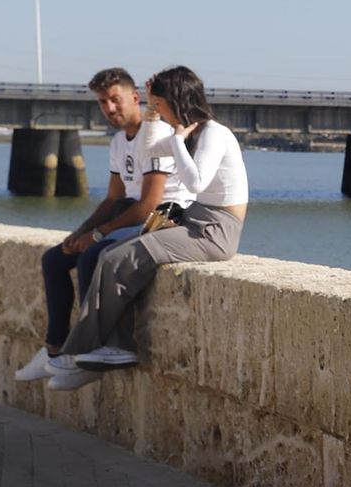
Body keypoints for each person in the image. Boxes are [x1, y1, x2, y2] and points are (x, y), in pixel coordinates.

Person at [47, 66, 249, 390]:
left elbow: (196, 183)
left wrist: (178, 140)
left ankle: (82, 351)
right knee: (111, 254)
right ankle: (111, 347)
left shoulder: (213, 133)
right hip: (194, 219)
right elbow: (151, 152)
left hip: (216, 230)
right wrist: (155, 120)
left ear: (176, 100)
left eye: (159, 105)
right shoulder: (189, 133)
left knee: (119, 258)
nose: (157, 111)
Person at [14, 67, 190, 382]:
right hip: (129, 209)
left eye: (115, 99)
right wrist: (80, 233)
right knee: (54, 259)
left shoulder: (158, 134)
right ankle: (55, 350)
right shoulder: (119, 141)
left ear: (135, 98)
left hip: (162, 215)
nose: (109, 108)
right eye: (102, 102)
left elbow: (148, 205)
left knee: (92, 256)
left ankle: (91, 350)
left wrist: (96, 236)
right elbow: (112, 199)